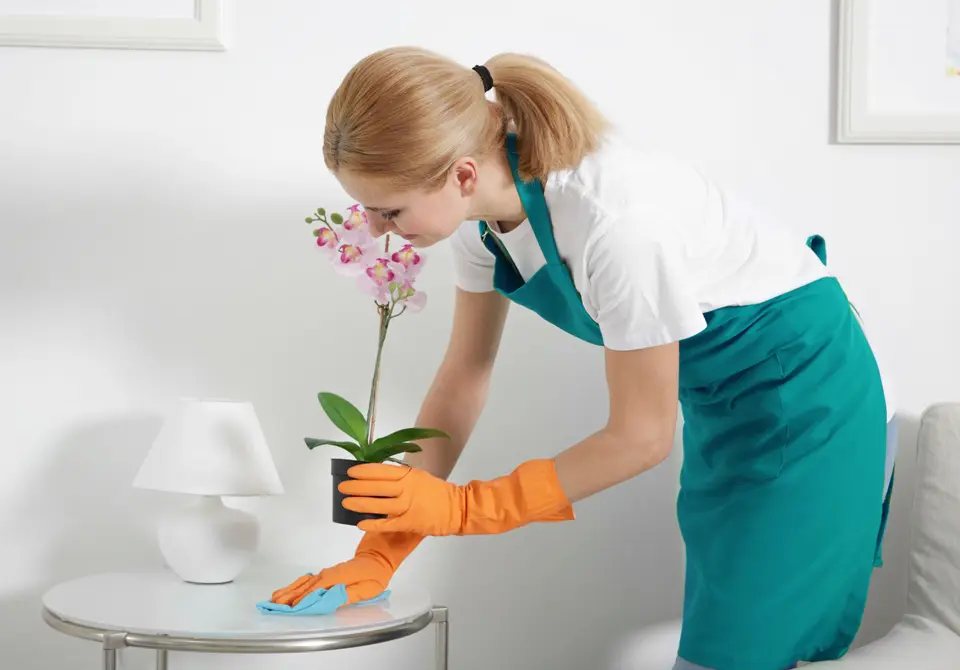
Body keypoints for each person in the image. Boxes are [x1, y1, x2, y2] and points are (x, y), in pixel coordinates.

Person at [269, 47, 897, 670]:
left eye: (389, 210)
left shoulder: (615, 225)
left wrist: (465, 508)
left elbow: (641, 436)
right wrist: (382, 549)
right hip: (721, 402)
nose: (376, 231)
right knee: (731, 635)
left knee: (743, 647)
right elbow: (464, 376)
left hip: (812, 401)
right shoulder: (477, 219)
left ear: (460, 173)